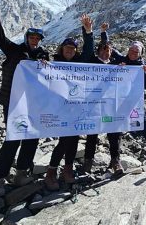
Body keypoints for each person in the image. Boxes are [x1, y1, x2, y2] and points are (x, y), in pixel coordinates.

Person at [0, 0, 49, 188]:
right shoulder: (15, 50)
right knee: (14, 136)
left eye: (37, 38)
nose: (34, 40)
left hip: (34, 103)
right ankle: (0, 175)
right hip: (14, 101)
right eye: (32, 37)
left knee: (32, 136)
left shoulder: (43, 56)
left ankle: (22, 172)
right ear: (27, 38)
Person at [44, 14, 94, 191]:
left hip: (76, 108)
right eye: (67, 47)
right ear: (62, 48)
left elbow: (89, 51)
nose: (70, 50)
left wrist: (88, 32)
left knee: (73, 140)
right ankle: (51, 172)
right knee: (64, 141)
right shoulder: (54, 63)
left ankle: (67, 169)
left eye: (73, 48)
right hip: (60, 109)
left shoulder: (79, 62)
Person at [107, 34, 146, 165]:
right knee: (114, 131)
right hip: (117, 103)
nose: (133, 53)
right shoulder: (120, 60)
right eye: (131, 50)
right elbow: (107, 75)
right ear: (128, 50)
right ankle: (115, 162)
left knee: (145, 127)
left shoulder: (143, 67)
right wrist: (117, 68)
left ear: (140, 54)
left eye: (136, 51)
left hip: (134, 104)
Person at [83, 23, 123, 175]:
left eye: (108, 51)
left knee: (114, 133)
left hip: (110, 105)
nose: (106, 53)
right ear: (98, 51)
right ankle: (88, 161)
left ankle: (115, 161)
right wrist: (91, 32)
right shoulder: (93, 62)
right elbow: (88, 46)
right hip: (93, 105)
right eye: (103, 50)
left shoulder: (114, 64)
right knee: (92, 134)